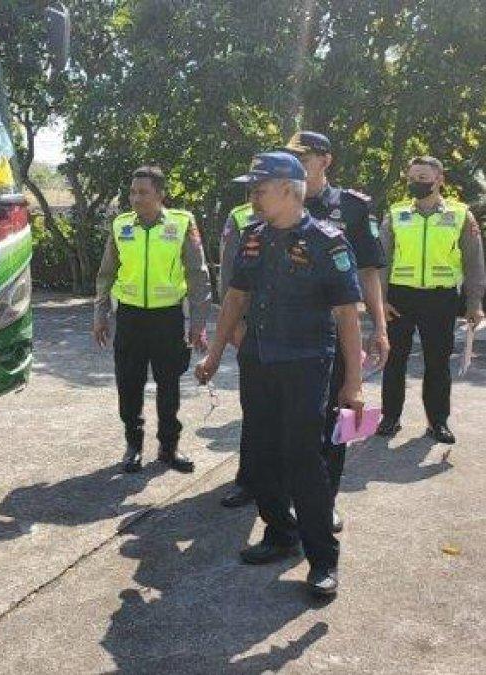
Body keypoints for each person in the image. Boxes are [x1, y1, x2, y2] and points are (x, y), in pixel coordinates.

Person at [196, 152, 364, 598]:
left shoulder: (328, 242)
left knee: (303, 457)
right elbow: (235, 297)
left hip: (306, 363)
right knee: (262, 453)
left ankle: (322, 558)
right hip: (258, 359)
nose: (253, 197)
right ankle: (280, 533)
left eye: (260, 189)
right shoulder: (253, 236)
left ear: (289, 190)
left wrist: (353, 382)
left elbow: (347, 314)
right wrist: (214, 354)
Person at [283, 131, 388, 533]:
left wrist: (379, 327)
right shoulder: (280, 201)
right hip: (286, 329)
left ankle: (324, 501)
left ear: (325, 160)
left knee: (333, 417)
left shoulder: (353, 207)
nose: (296, 166)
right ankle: (289, 499)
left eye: (303, 158)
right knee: (289, 420)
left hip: (336, 329)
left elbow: (368, 272)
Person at [92, 166, 210, 473]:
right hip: (129, 318)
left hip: (167, 319)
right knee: (128, 384)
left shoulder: (181, 223)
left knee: (169, 385)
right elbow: (106, 273)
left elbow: (197, 275)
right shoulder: (121, 225)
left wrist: (198, 323)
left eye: (143, 192)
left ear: (160, 194)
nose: (136, 198)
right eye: (133, 192)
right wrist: (100, 313)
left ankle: (169, 448)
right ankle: (133, 445)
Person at [376, 155, 486, 443]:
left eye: (423, 178)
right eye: (412, 178)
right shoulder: (396, 213)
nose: (416, 183)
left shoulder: (461, 215)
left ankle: (437, 422)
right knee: (394, 359)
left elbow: (474, 263)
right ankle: (390, 417)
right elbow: (382, 262)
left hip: (441, 298)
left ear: (439, 180)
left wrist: (475, 303)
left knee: (437, 362)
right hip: (399, 297)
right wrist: (380, 300)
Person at [215, 199, 261, 507]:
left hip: (303, 333)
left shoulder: (320, 214)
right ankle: (249, 481)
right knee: (255, 409)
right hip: (254, 328)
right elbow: (229, 276)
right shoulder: (241, 217)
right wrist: (232, 324)